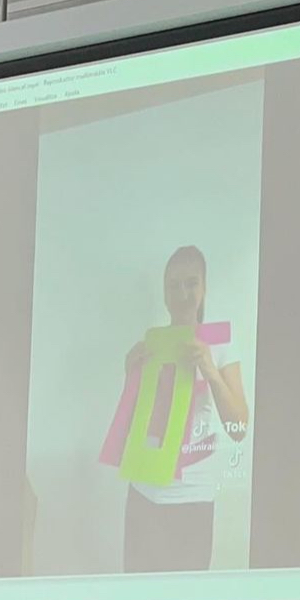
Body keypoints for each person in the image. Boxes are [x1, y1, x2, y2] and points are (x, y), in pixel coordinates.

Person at [122, 245, 248, 573]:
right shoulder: (151, 345)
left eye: (191, 283)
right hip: (143, 493)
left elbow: (239, 428)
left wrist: (210, 370)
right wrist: (130, 378)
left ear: (204, 288)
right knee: (136, 596)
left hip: (193, 499)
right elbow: (133, 426)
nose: (182, 294)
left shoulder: (221, 345)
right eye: (173, 285)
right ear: (164, 295)